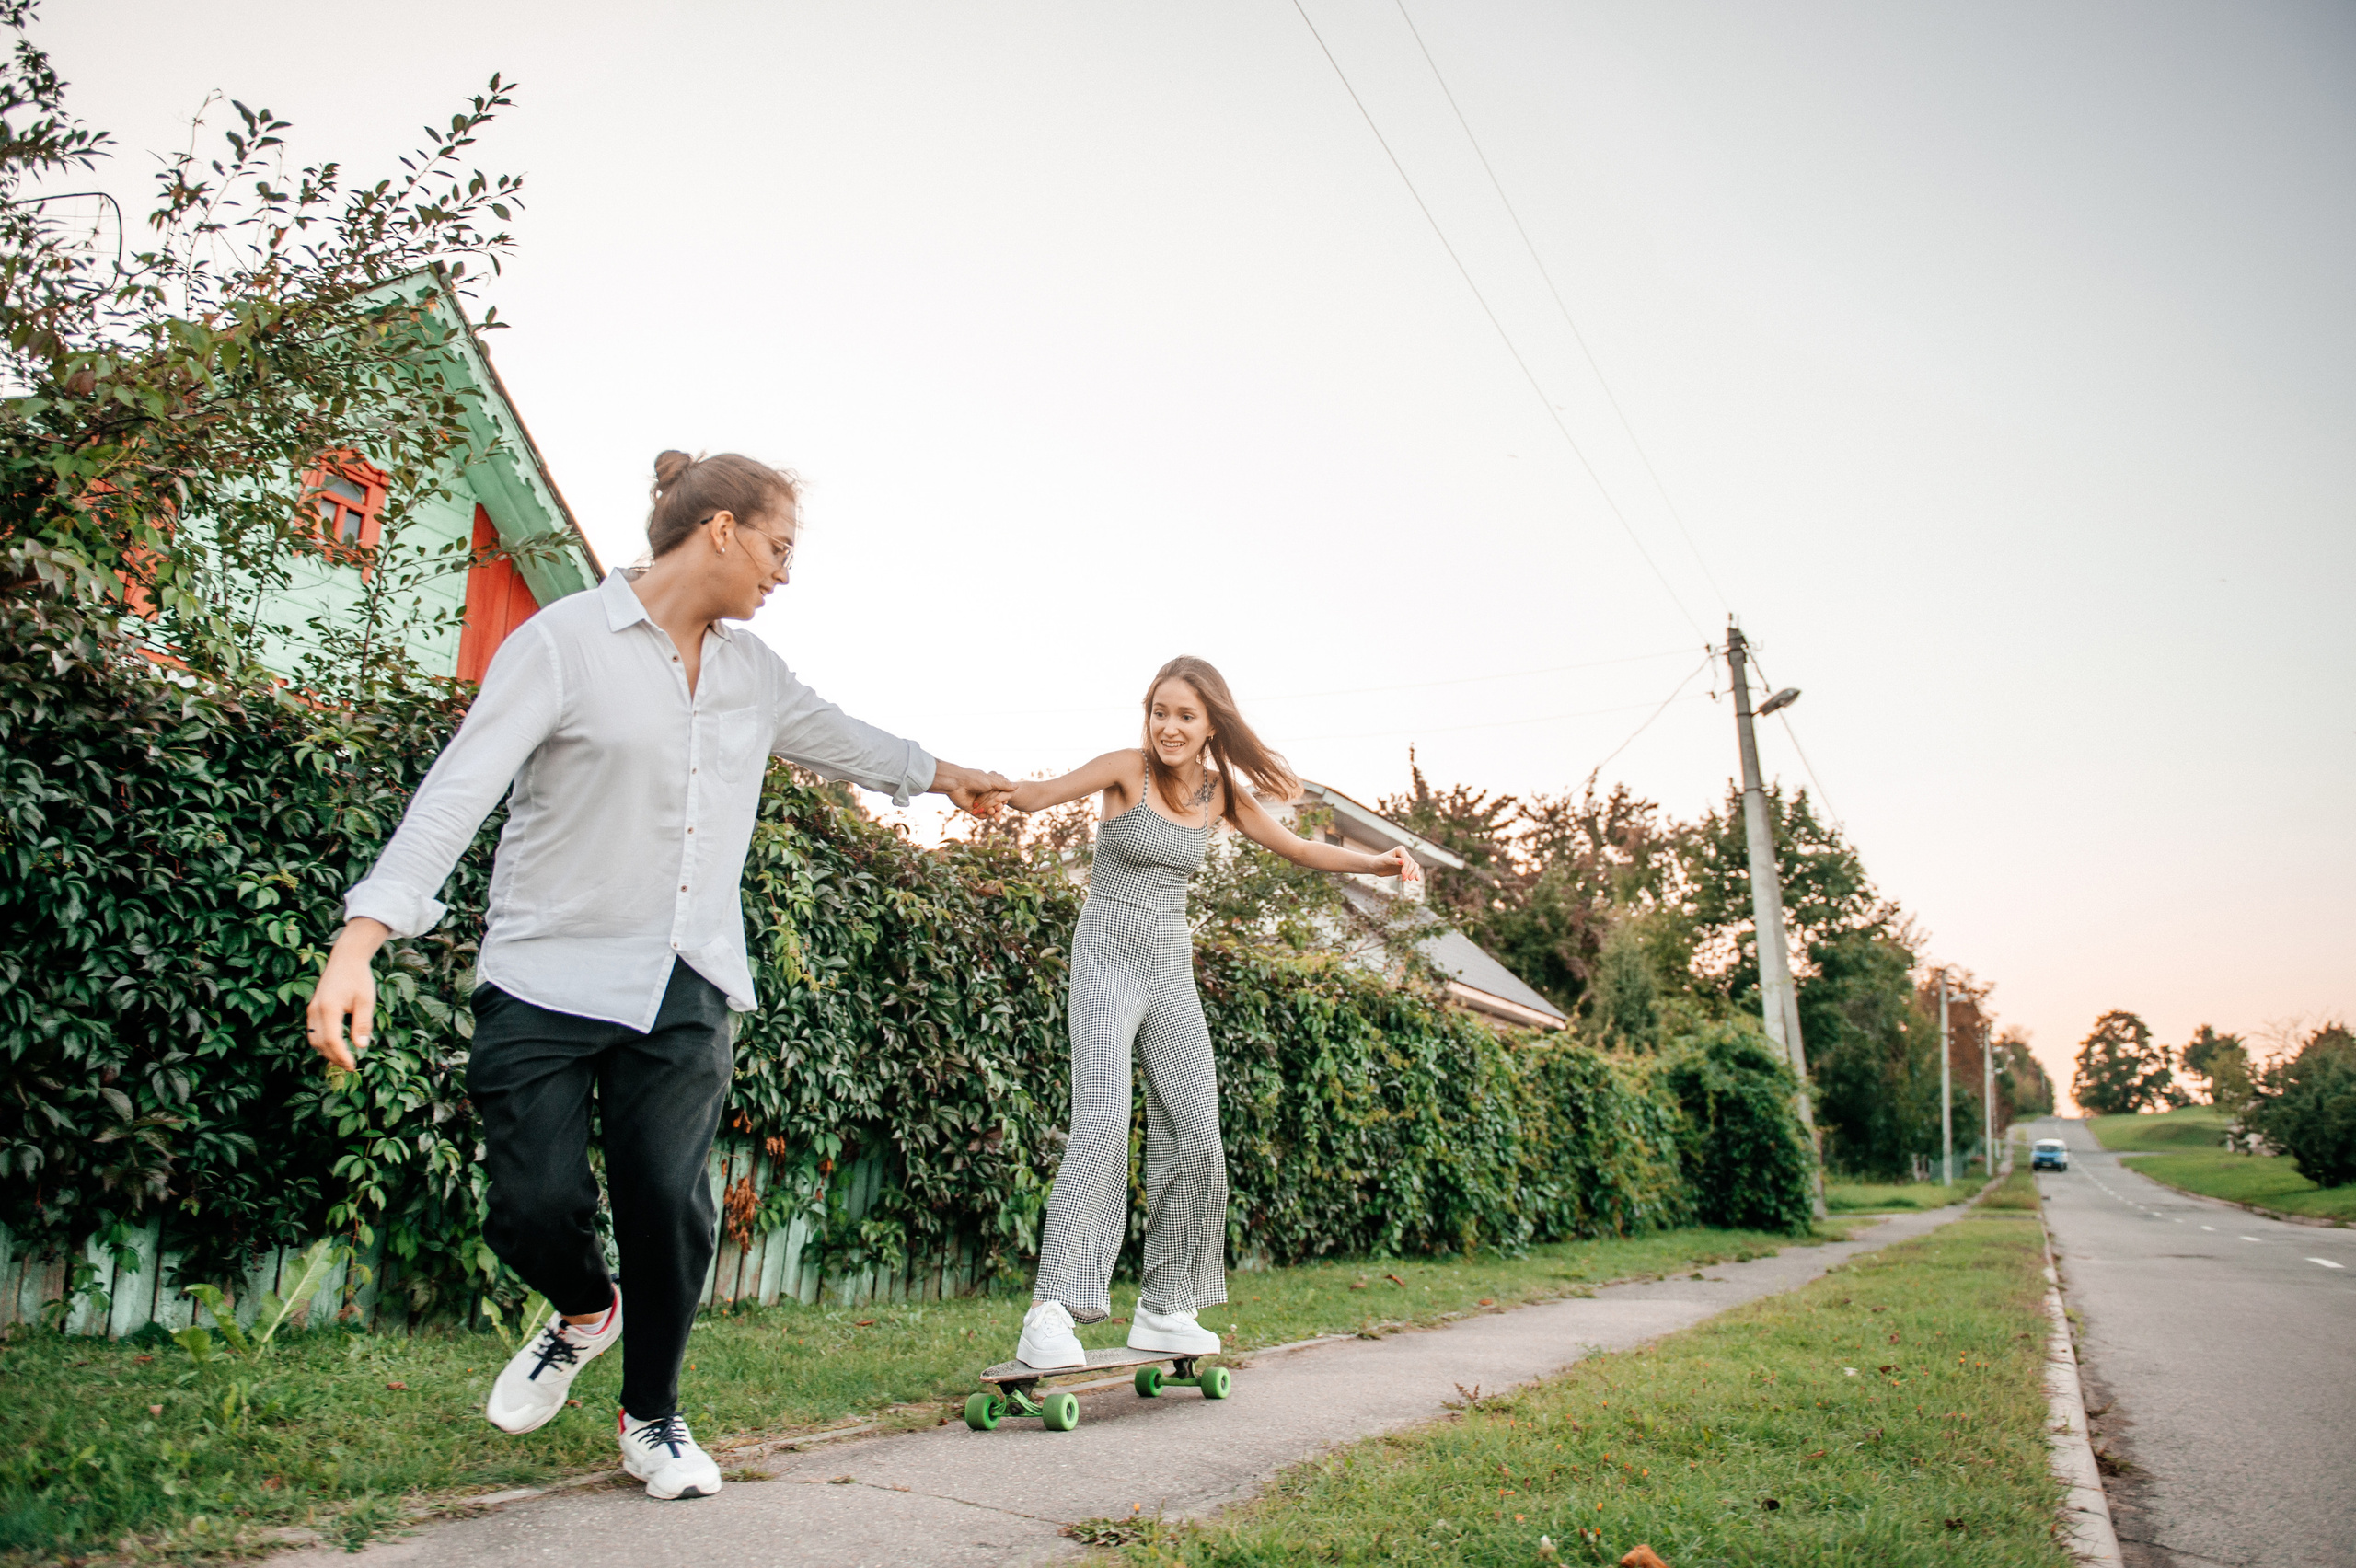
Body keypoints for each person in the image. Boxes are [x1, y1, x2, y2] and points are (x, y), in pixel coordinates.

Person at [305, 451, 1011, 1501]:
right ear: (721, 529)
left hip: (686, 977)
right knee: (530, 1204)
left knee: (668, 1209)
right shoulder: (562, 645)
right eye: (777, 548)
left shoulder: (752, 674)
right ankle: (586, 1310)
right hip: (544, 970)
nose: (784, 573)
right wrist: (359, 942)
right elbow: (456, 795)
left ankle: (652, 1419)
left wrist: (956, 778)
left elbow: (850, 741)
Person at [996, 656, 1417, 1370]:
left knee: (1196, 1132)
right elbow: (1039, 794)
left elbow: (1297, 847)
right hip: (1105, 956)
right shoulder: (1127, 770)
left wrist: (1377, 863)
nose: (1168, 726)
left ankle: (1165, 1306)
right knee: (1102, 1126)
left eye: (1184, 715)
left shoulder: (1220, 794)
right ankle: (1051, 1310)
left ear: (1211, 724)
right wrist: (982, 787)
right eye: (1159, 711)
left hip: (1168, 964)